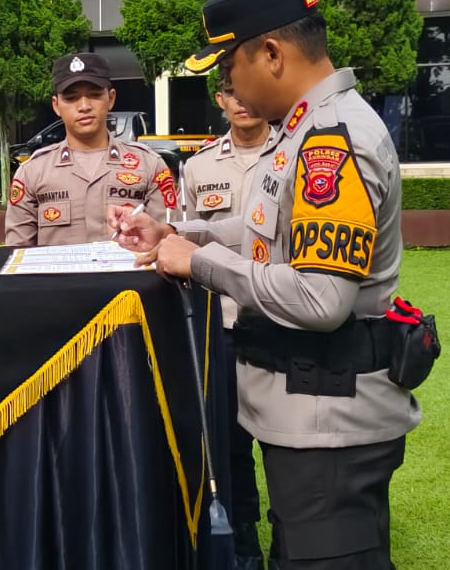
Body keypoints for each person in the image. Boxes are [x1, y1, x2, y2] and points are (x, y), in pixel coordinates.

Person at [111, 0, 417, 570]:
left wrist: (196, 263)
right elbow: (272, 240)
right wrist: (179, 233)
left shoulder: (332, 138)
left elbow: (320, 299)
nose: (229, 84)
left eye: (231, 67)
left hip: (329, 419)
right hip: (308, 413)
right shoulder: (303, 128)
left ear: (271, 53)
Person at [178, 67, 272, 565]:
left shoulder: (291, 153)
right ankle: (243, 550)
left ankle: (293, 545)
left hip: (279, 318)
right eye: (231, 93)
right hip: (222, 325)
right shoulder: (198, 167)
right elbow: (190, 237)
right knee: (230, 447)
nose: (241, 101)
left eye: (247, 91)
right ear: (220, 99)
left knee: (281, 446)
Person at [5, 52, 175, 247]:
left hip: (127, 278)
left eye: (94, 95)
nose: (84, 106)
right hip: (57, 278)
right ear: (56, 105)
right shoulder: (32, 172)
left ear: (110, 99)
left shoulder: (149, 165)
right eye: (71, 98)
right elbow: (17, 254)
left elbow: (168, 240)